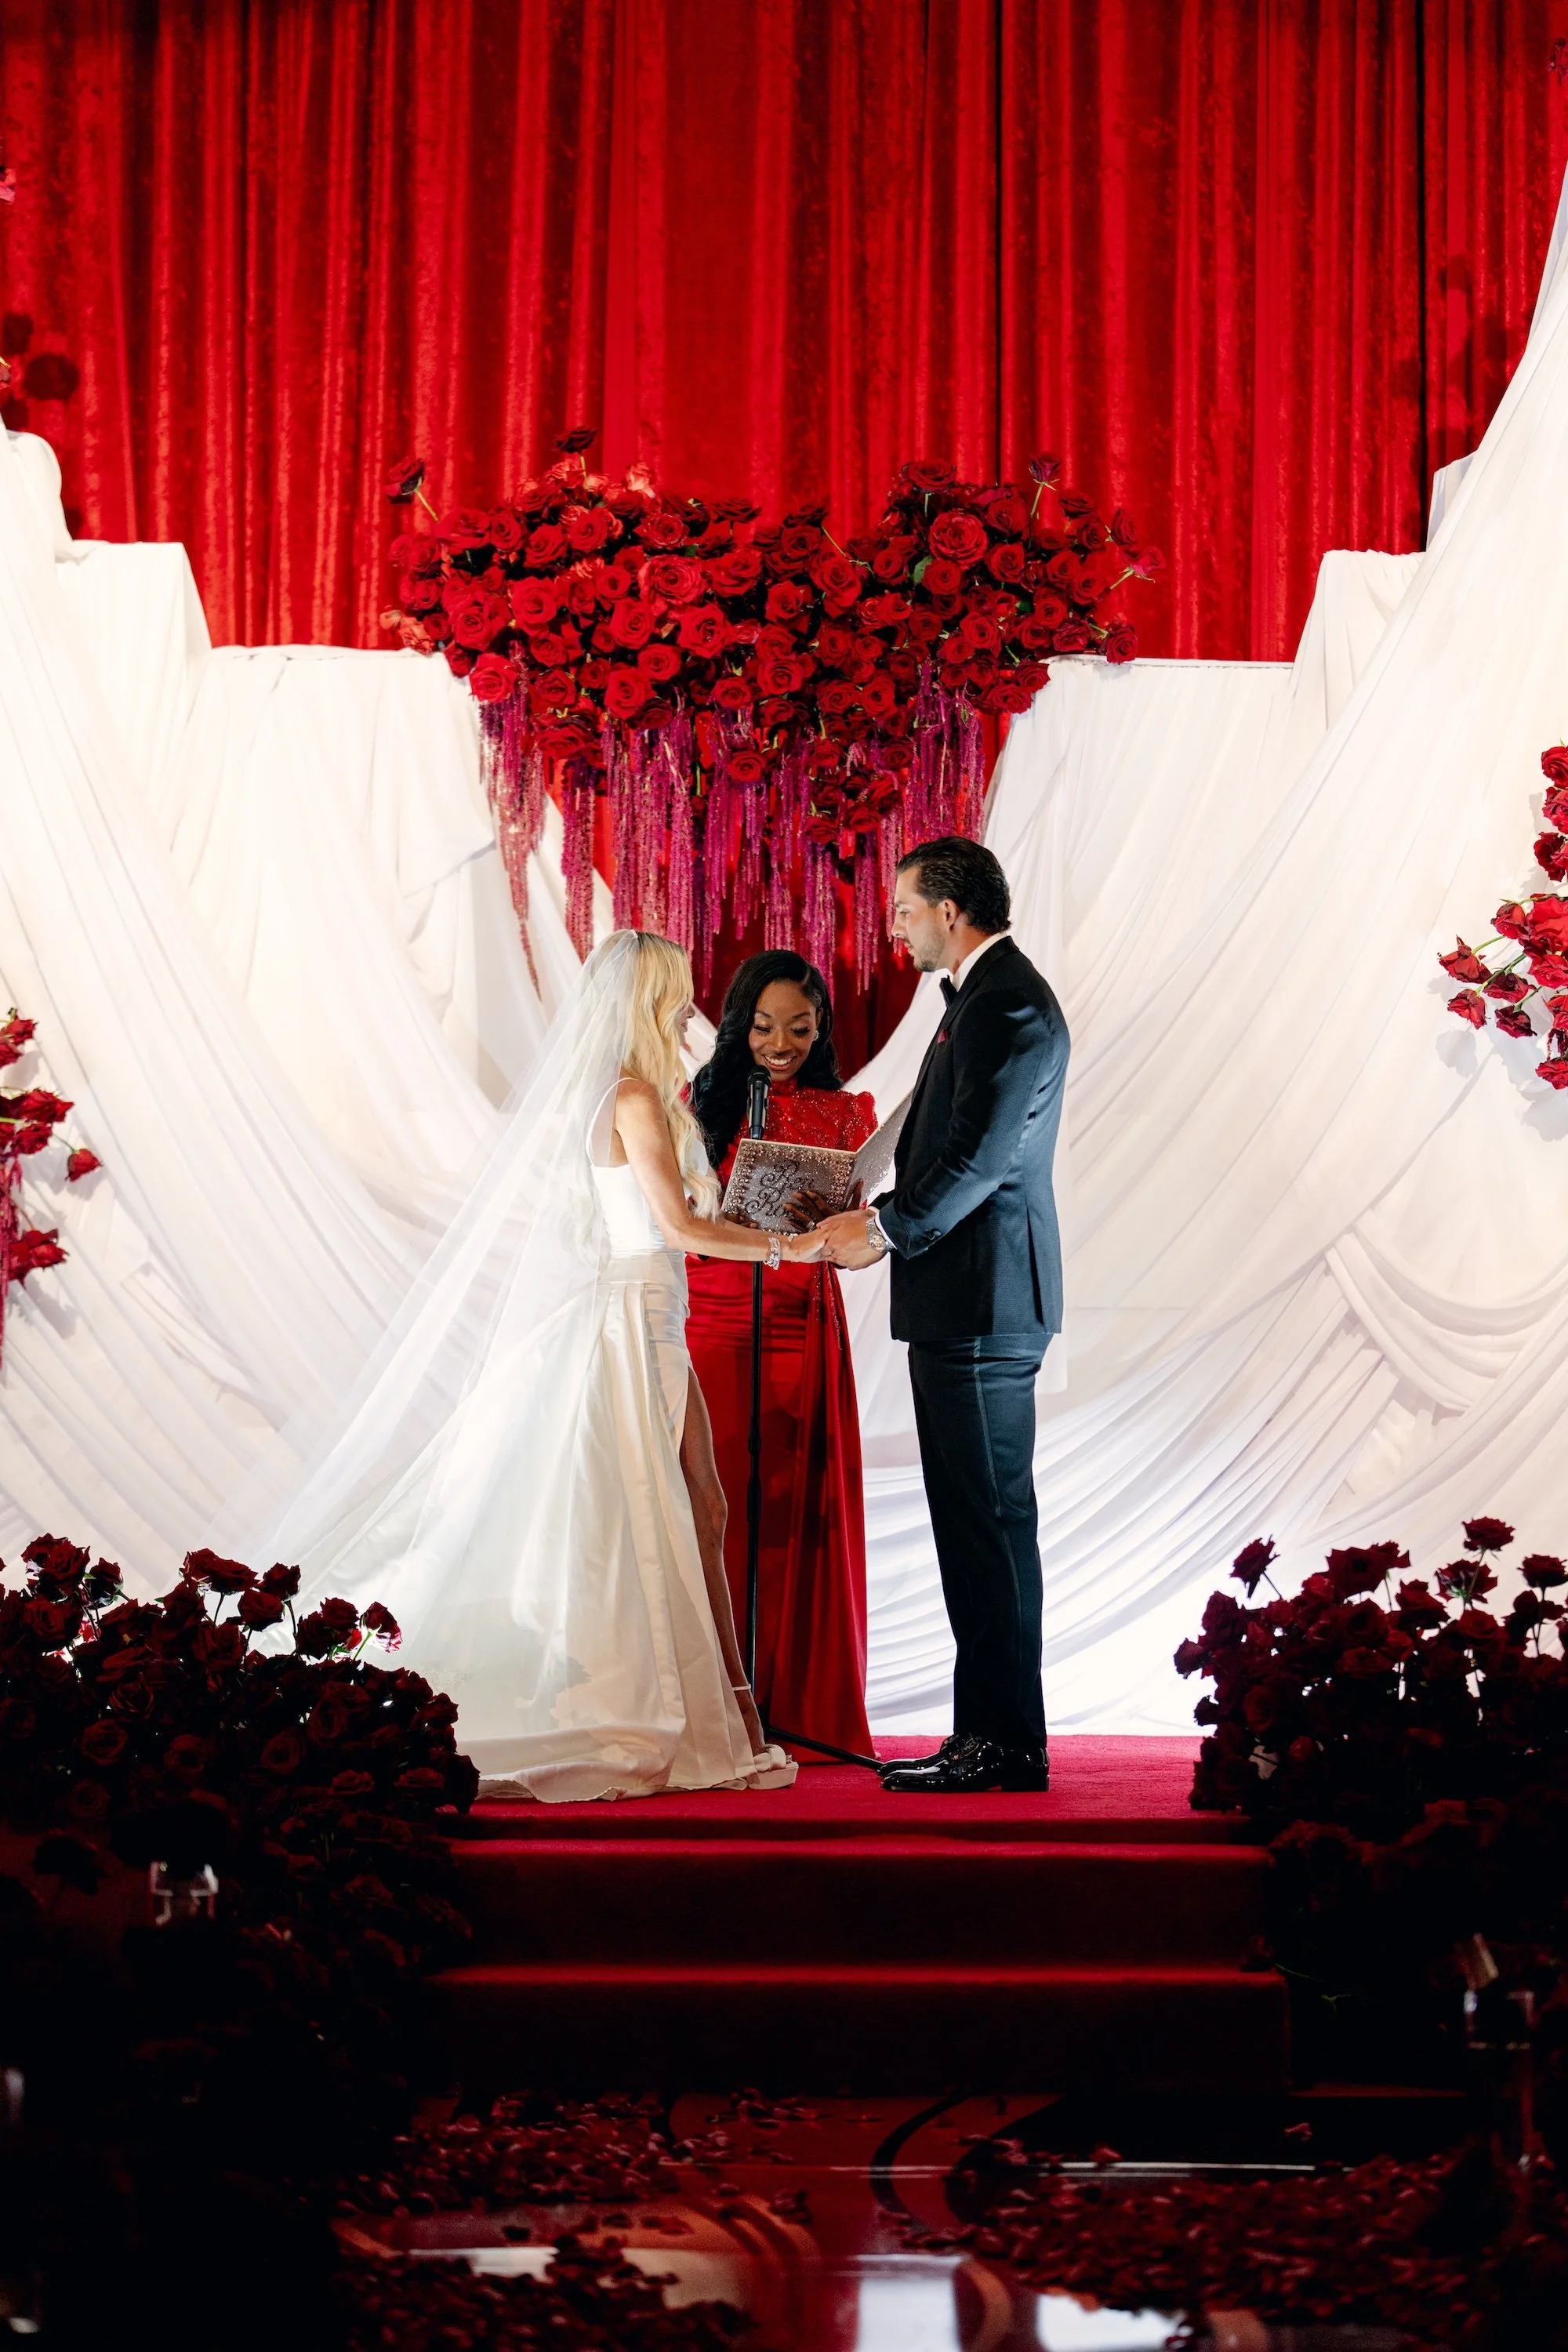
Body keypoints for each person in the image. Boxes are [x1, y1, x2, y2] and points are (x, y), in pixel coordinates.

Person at [227, 931, 822, 1802]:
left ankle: (729, 1704)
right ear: (651, 1001)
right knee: (651, 1519)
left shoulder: (634, 1095)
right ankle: (675, 1703)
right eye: (677, 994)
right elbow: (681, 1230)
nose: (688, 1009)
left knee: (704, 1499)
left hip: (654, 1316)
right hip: (631, 1319)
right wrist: (800, 1246)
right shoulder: (629, 1098)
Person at [818, 838, 1068, 1795]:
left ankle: (1002, 1745)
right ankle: (993, 1738)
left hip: (982, 1300)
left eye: (902, 912)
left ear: (950, 912)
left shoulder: (1003, 1001)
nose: (893, 928)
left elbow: (980, 1162)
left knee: (986, 1525)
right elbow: (933, 1126)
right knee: (977, 1524)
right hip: (969, 1298)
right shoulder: (982, 996)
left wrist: (879, 1231)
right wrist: (850, 1183)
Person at [688, 952, 877, 1761]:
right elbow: (676, 1216)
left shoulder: (845, 1115)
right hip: (716, 1315)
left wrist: (832, 1229)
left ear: (821, 1028)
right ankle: (714, 1702)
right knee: (715, 1503)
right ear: (737, 1026)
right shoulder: (699, 1104)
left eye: (799, 1028)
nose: (780, 1042)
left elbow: (861, 1244)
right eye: (763, 1026)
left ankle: (795, 1703)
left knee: (796, 1511)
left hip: (802, 1320)